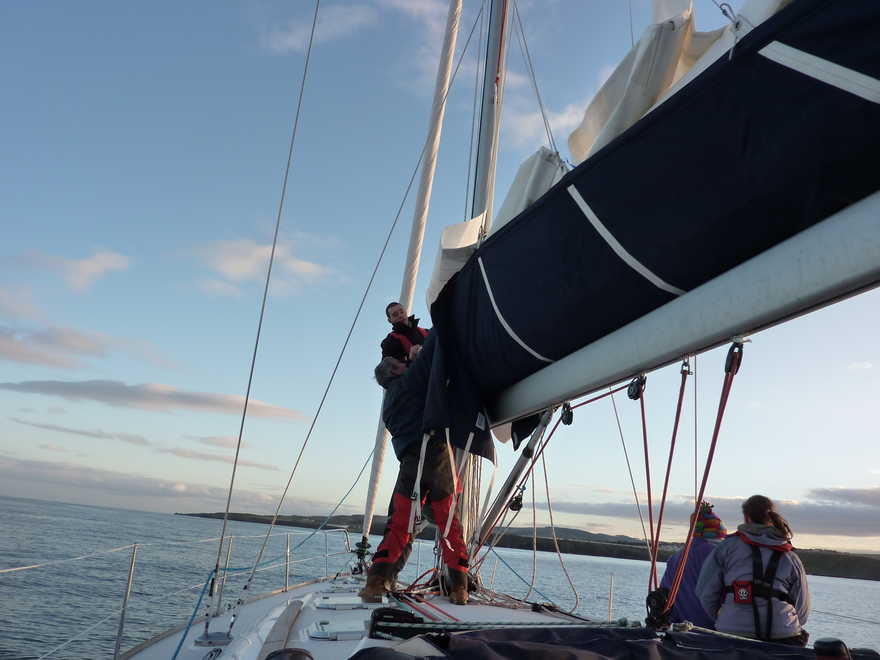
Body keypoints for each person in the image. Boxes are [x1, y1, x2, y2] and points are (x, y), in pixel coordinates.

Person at [360, 333, 469, 605]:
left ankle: (377, 582)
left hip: (410, 463)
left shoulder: (389, 406)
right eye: (400, 364)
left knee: (400, 523)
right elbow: (431, 353)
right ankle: (459, 588)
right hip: (437, 458)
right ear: (396, 371)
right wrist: (441, 311)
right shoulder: (409, 382)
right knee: (448, 526)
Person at [697, 495, 810, 645]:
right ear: (771, 518)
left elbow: (704, 592)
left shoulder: (726, 548)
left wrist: (723, 618)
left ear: (746, 517)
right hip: (784, 635)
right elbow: (802, 610)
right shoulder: (790, 556)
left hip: (732, 632)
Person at [659, 501, 727, 628]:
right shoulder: (719, 554)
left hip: (680, 630)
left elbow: (665, 593)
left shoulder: (675, 558)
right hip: (712, 629)